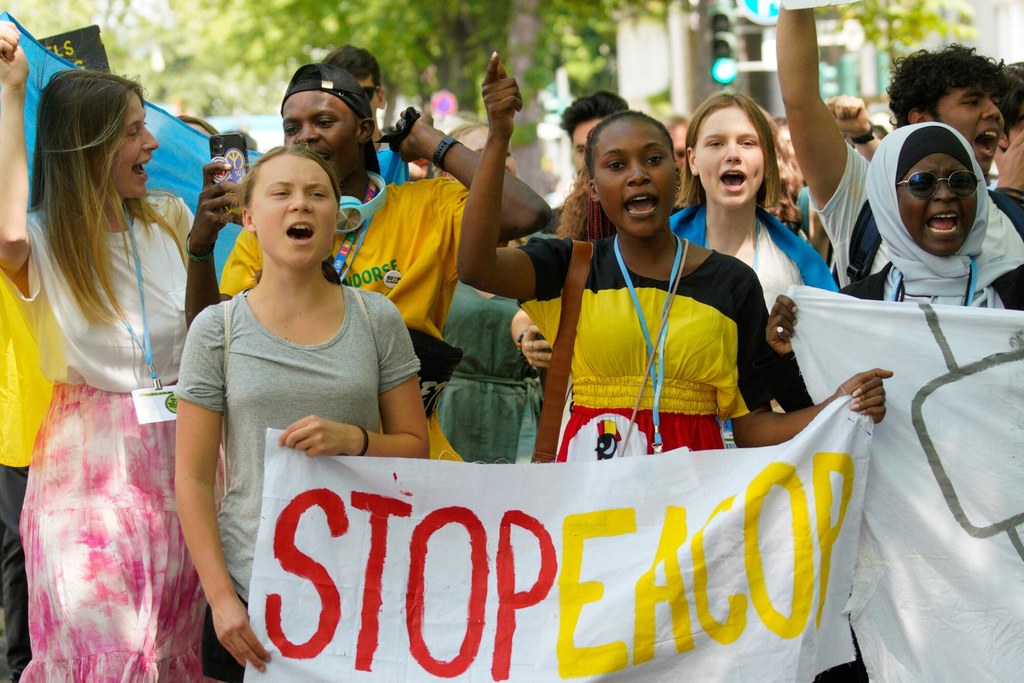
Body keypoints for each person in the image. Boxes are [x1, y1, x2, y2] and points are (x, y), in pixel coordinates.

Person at [459, 53, 890, 462]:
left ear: (677, 170)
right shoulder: (570, 266)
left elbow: (752, 426)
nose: (638, 174)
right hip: (594, 501)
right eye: (615, 165)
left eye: (652, 159)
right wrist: (498, 137)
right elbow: (476, 266)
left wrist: (838, 405)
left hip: (696, 508)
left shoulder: (732, 282)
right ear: (592, 187)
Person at [767, 121, 1024, 683]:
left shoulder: (1018, 293)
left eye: (961, 180)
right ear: (889, 194)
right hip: (904, 575)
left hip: (1007, 562)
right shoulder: (854, 308)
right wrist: (788, 353)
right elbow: (813, 421)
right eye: (922, 182)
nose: (945, 195)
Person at [188, 62, 550, 461]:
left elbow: (525, 214)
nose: (306, 136)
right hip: (293, 459)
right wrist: (200, 250)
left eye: (324, 121)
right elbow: (212, 341)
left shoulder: (427, 205)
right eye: (292, 128)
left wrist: (431, 142)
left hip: (405, 456)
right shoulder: (270, 230)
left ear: (365, 130)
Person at [175, 145, 429, 682]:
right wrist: (221, 600)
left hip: (363, 588)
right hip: (249, 595)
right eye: (281, 194)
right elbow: (193, 479)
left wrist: (356, 439)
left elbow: (415, 445)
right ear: (247, 218)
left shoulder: (377, 317)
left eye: (317, 195)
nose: (301, 206)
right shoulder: (216, 331)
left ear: (337, 217)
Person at [0, 22, 205, 678]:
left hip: (182, 471)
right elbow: (6, 237)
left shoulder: (170, 220)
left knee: (168, 652)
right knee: (105, 655)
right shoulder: (43, 241)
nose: (150, 143)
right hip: (87, 479)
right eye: (132, 131)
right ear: (86, 144)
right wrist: (10, 95)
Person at [777, 8, 1024, 287]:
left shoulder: (1014, 219)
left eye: (995, 101)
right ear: (921, 121)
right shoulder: (865, 201)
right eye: (973, 101)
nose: (994, 111)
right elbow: (800, 98)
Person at [671, 92, 837, 310]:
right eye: (716, 144)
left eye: (747, 143)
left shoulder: (802, 264)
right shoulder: (660, 246)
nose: (733, 154)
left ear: (767, 159)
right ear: (693, 160)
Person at [435, 122, 541, 463]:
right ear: (445, 177)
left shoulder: (546, 255)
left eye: (505, 152)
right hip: (447, 420)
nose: (501, 162)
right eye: (478, 156)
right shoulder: (430, 259)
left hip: (522, 425)